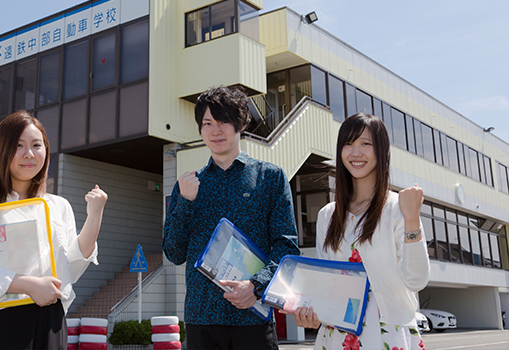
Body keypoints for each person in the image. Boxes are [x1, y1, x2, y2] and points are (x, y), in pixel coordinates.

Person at [0, 111, 107, 350]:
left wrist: (95, 215)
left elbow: (69, 268)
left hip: (48, 321)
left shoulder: (58, 205)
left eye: (36, 145)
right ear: (2, 150)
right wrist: (27, 285)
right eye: (18, 145)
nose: (29, 154)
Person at [163, 85, 300, 350]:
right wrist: (185, 203)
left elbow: (286, 246)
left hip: (253, 319)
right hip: (201, 319)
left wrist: (256, 286)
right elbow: (173, 252)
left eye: (224, 121)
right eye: (207, 123)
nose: (216, 130)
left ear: (241, 124)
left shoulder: (270, 178)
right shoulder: (188, 185)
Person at [286, 112, 430, 350]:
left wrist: (412, 218)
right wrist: (311, 311)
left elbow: (416, 279)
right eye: (348, 144)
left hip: (386, 333)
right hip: (337, 334)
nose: (356, 152)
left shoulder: (398, 207)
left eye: (366, 144)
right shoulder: (327, 215)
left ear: (381, 150)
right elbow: (326, 283)